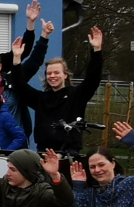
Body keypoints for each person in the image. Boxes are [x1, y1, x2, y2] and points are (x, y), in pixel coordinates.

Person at [9, 27, 105, 158]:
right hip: (43, 151)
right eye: (49, 73)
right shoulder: (40, 99)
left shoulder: (77, 95)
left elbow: (93, 79)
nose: (52, 76)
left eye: (56, 72)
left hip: (69, 153)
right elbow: (20, 85)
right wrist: (17, 57)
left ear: (65, 75)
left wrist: (96, 50)